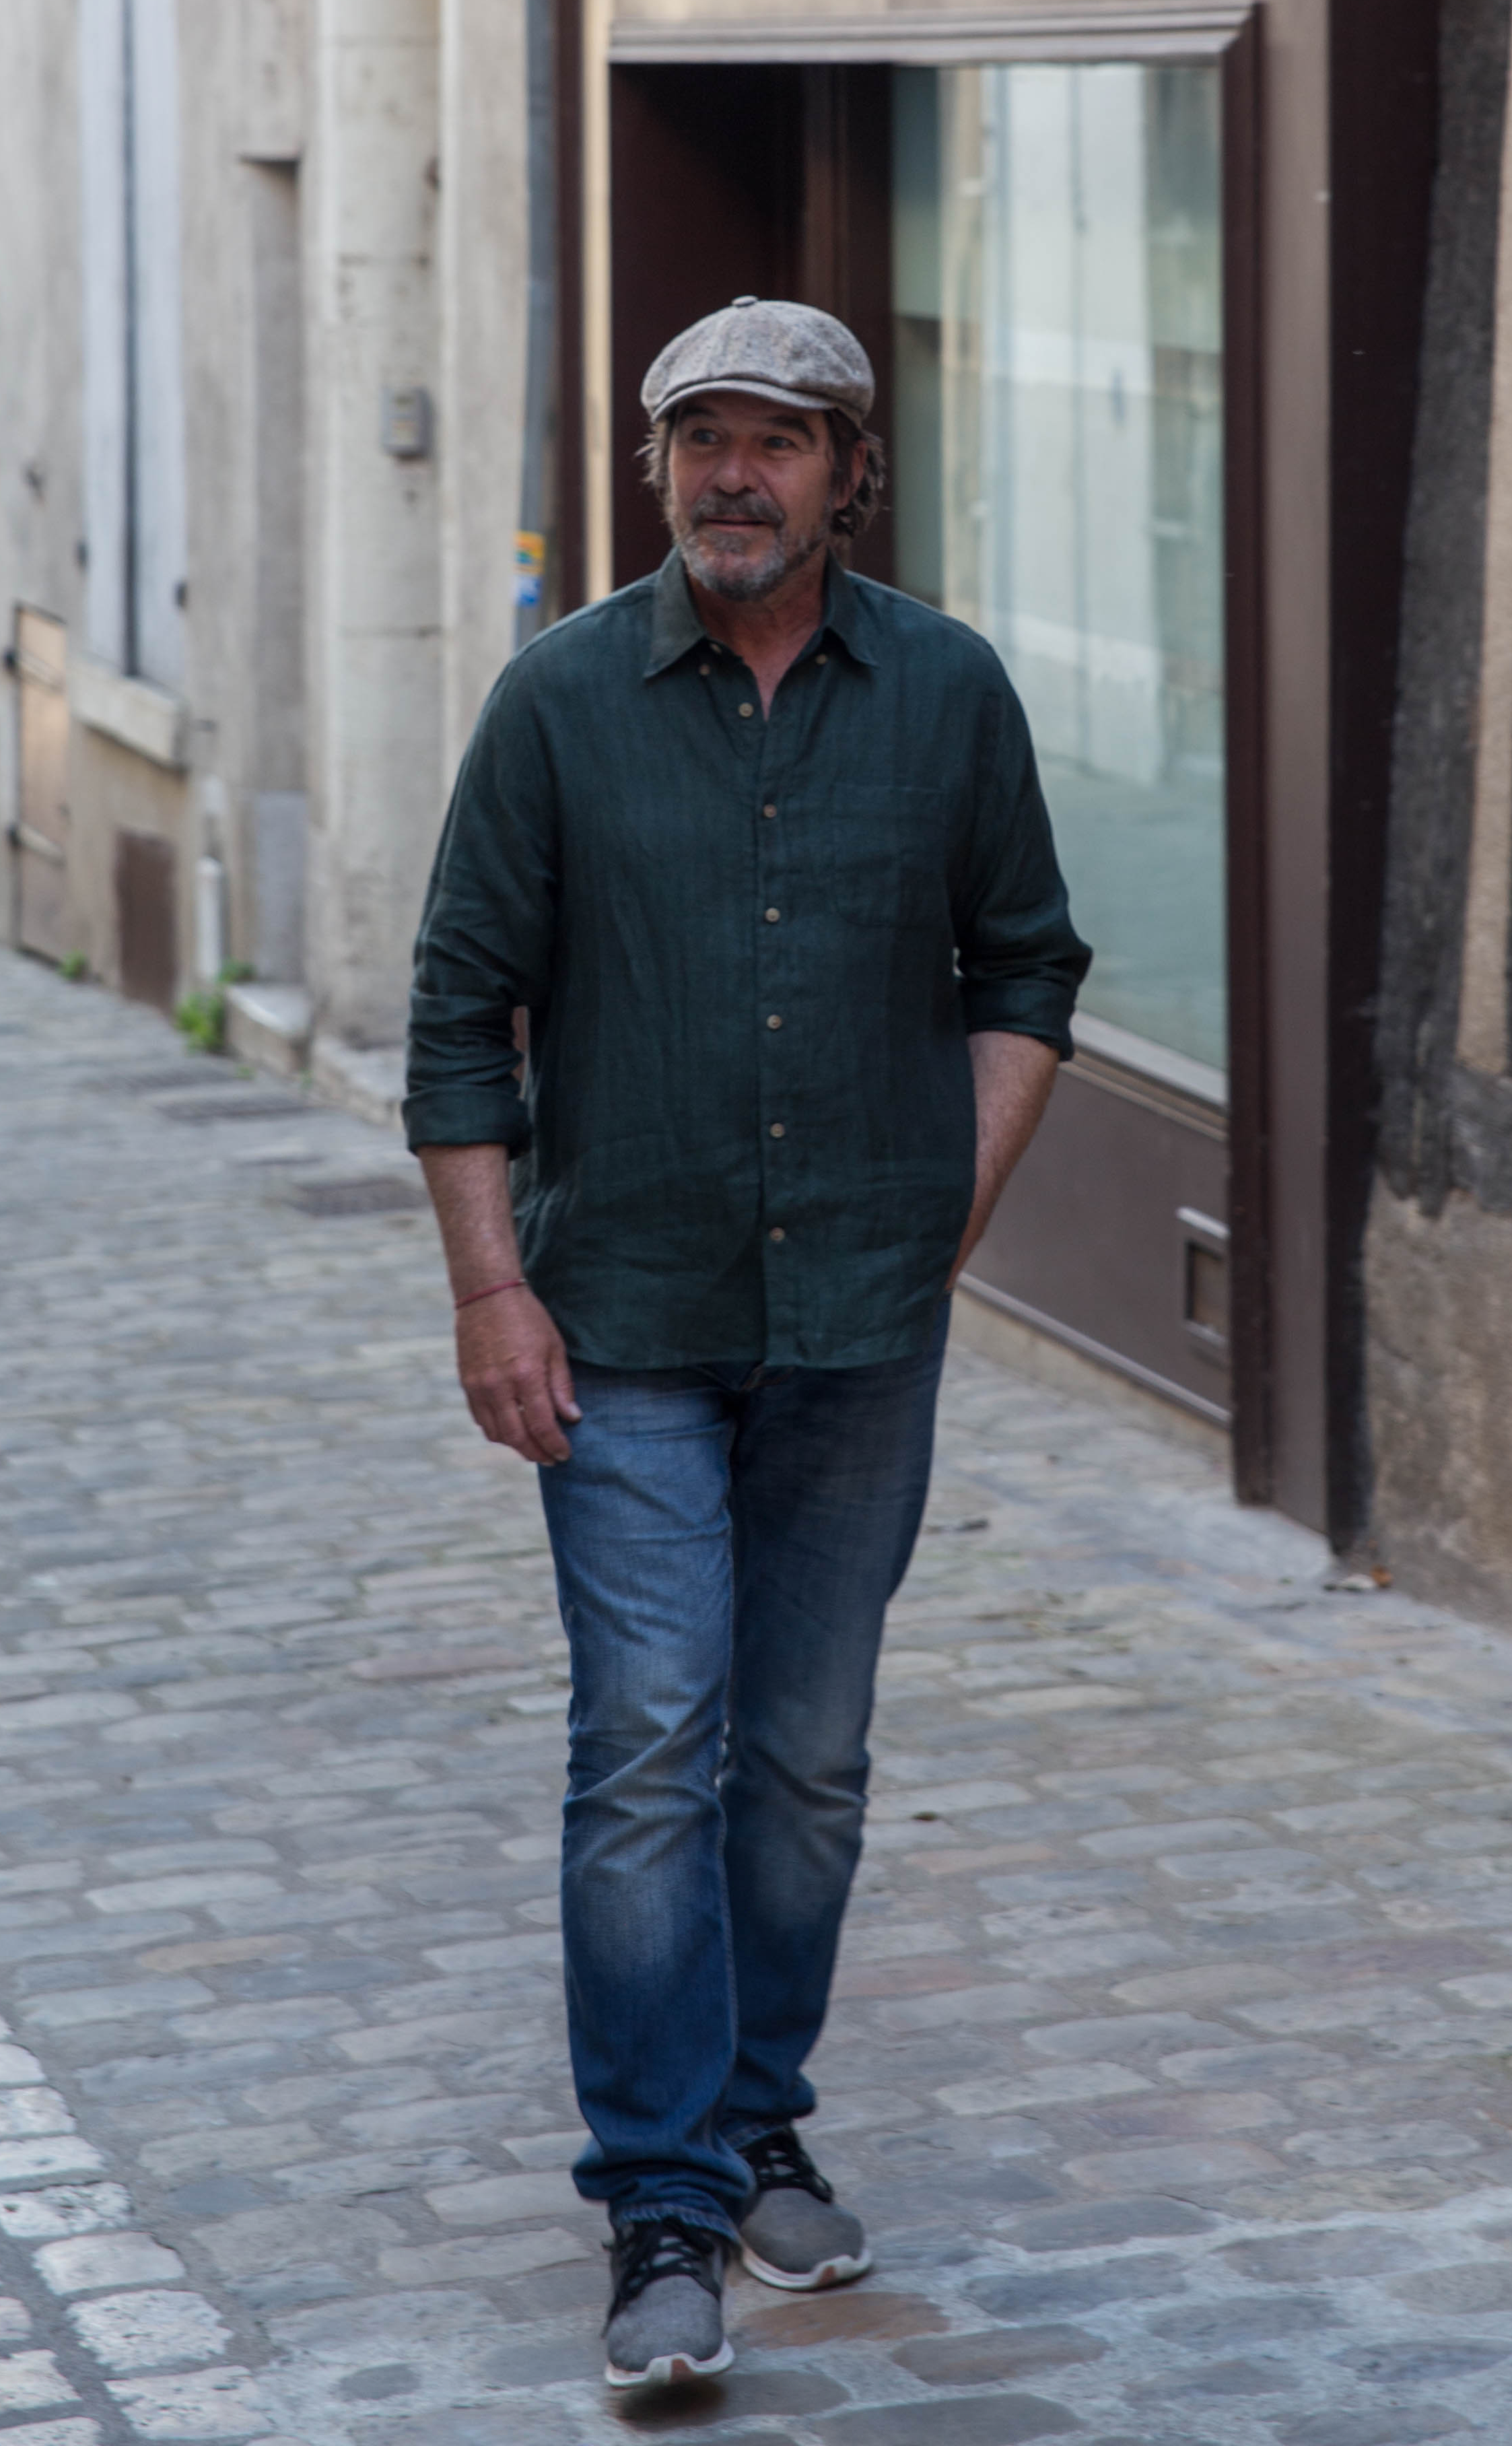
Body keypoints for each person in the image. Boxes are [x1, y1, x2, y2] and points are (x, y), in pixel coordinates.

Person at [403, 296, 1089, 2391]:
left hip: (859, 1332)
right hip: (622, 1324)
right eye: (697, 437)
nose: (731, 473)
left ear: (847, 470)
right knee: (649, 1748)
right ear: (657, 469)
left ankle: (754, 2108)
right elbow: (455, 1017)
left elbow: (1029, 962)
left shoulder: (950, 696)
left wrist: (941, 1209)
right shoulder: (558, 706)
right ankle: (665, 2211)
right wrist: (489, 1288)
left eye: (775, 440)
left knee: (800, 1763)